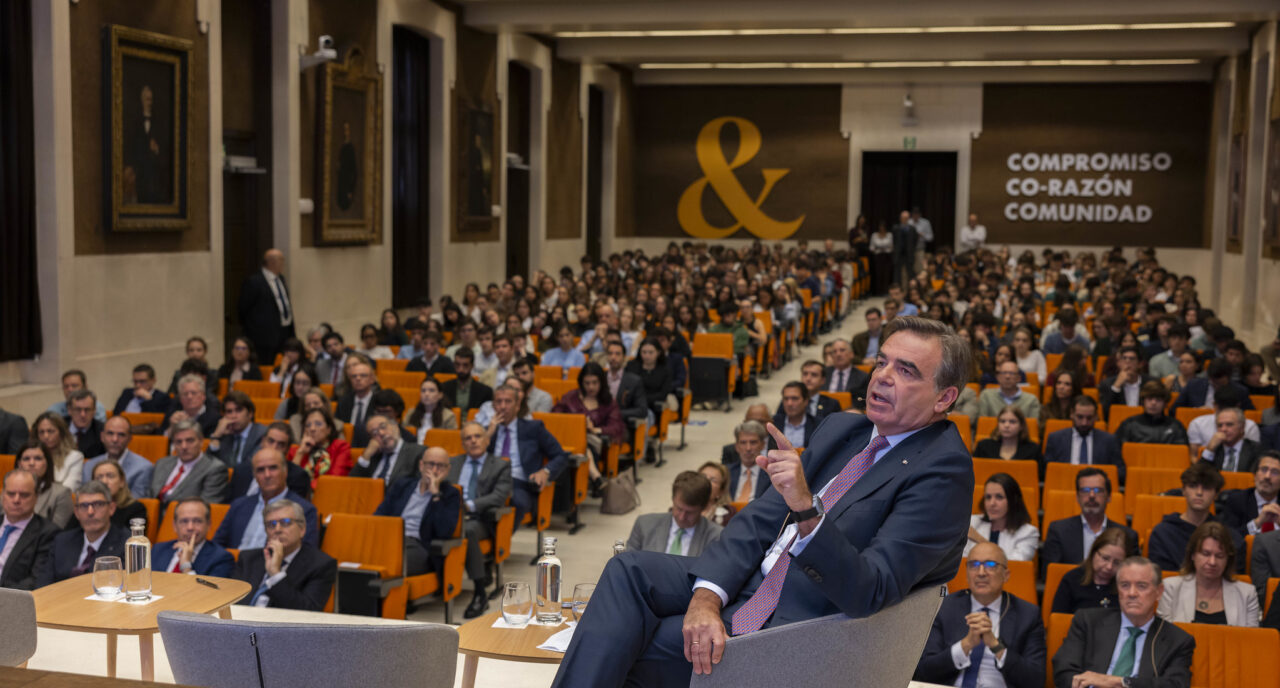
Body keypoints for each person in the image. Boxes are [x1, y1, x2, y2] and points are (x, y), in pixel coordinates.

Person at [551, 316, 974, 686]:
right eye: (882, 361)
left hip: (799, 627)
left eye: (906, 371)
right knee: (628, 569)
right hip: (750, 584)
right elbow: (757, 522)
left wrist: (808, 511)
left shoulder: (943, 472)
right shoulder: (844, 428)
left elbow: (871, 589)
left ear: (944, 398)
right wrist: (706, 598)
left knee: (631, 642)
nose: (882, 376)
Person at [914, 542, 1047, 688]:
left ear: (1006, 575)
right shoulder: (945, 607)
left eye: (990, 564)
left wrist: (995, 646)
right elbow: (922, 671)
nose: (981, 572)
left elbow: (1035, 680)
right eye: (974, 564)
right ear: (966, 574)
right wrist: (965, 645)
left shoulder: (1027, 614)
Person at [1052, 557, 1195, 688]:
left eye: (1141, 586)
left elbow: (1176, 684)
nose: (1132, 593)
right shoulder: (1088, 621)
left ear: (1158, 592)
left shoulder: (1177, 640)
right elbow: (1064, 670)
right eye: (1125, 585)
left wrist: (1119, 682)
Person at [447, 422, 513, 619]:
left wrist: (469, 505)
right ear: (463, 443)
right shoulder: (453, 462)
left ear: (487, 440)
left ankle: (479, 592)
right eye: (468, 438)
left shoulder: (501, 465)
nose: (473, 440)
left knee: (468, 530)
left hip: (482, 518)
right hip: (452, 515)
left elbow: (499, 496)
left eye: (477, 436)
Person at [487, 385, 569, 529]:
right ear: (493, 406)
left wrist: (545, 471)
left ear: (518, 405)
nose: (503, 406)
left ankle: (498, 543)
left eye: (508, 402)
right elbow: (472, 458)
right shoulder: (486, 432)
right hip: (489, 482)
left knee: (517, 502)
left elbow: (560, 455)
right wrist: (488, 434)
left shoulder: (533, 428)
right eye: (499, 402)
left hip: (519, 485)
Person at [233, 500, 336, 611]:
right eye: (271, 525)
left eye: (285, 522)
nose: (277, 529)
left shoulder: (320, 565)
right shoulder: (248, 558)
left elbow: (307, 611)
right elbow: (230, 600)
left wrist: (275, 574)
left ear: (302, 529)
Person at [375, 446, 461, 578]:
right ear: (421, 465)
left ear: (448, 470)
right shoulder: (402, 485)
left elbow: (444, 531)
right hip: (390, 540)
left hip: (420, 547)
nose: (434, 470)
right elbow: (380, 515)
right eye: (430, 464)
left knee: (389, 564)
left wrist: (436, 495)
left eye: (441, 466)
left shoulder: (450, 494)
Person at [1041, 469, 1139, 579]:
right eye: (1085, 490)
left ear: (1109, 497)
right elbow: (1050, 577)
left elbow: (1132, 578)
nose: (1092, 495)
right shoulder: (1058, 531)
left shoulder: (1128, 536)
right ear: (1077, 497)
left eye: (1098, 490)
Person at [1147, 463, 1244, 573]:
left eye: (1206, 488)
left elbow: (1233, 578)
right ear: (1183, 490)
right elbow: (1160, 577)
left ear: (1216, 494)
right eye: (1193, 486)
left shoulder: (1228, 535)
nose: (1199, 493)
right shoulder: (1163, 533)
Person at [1157, 521, 1258, 626]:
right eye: (1206, 554)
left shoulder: (1247, 594)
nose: (1212, 562)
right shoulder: (1170, 589)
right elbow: (1164, 638)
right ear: (1192, 555)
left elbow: (1251, 640)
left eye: (1219, 556)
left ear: (1228, 559)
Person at [217, 447, 320, 550]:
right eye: (260, 470)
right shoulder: (239, 505)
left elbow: (306, 555)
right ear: (254, 475)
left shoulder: (304, 510)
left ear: (285, 471)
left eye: (273, 468)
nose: (267, 475)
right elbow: (217, 545)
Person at [35, 481, 129, 586]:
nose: (90, 512)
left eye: (98, 504)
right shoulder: (62, 541)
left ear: (111, 508)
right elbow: (43, 584)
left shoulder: (126, 544)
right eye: (84, 506)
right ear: (76, 512)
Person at [553, 363, 624, 494]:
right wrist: (574, 423)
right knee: (579, 446)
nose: (591, 387)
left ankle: (591, 483)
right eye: (587, 383)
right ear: (581, 382)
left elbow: (615, 427)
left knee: (583, 446)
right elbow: (555, 416)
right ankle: (596, 478)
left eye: (594, 383)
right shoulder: (570, 397)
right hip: (568, 440)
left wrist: (596, 429)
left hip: (594, 441)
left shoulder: (609, 402)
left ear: (601, 382)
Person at [625, 471, 723, 557]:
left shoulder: (716, 537)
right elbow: (627, 565)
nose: (681, 517)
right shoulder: (644, 525)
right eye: (679, 509)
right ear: (672, 499)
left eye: (690, 513)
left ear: (704, 507)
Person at [1043, 396, 1126, 483]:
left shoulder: (1109, 440)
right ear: (1072, 414)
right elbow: (1047, 471)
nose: (1084, 423)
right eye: (1080, 417)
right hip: (1064, 485)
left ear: (1096, 416)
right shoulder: (1056, 439)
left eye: (1089, 418)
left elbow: (1120, 472)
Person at [0, 469, 58, 590]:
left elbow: (36, 579)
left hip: (10, 600)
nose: (16, 500)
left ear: (36, 497)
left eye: (24, 495)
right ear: (2, 494)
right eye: (11, 494)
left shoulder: (48, 533)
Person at [1051, 527, 1130, 615]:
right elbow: (1058, 621)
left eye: (1117, 562)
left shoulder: (1128, 586)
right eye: (1105, 558)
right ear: (1094, 552)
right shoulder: (1072, 580)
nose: (1109, 567)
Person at [149, 420, 229, 506]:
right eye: (179, 442)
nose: (184, 446)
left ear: (201, 441)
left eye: (189, 440)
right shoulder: (162, 463)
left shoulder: (215, 469)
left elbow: (206, 507)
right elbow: (149, 495)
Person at [227, 422, 312, 501]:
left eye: (281, 444)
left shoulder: (297, 476)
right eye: (271, 441)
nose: (274, 448)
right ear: (262, 442)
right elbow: (228, 506)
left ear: (287, 449)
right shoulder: (241, 470)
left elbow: (293, 510)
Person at [238, 249, 296, 364]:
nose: (283, 263)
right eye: (281, 260)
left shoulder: (281, 279)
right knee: (266, 365)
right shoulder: (254, 282)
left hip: (284, 332)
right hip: (263, 338)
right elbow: (243, 309)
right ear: (272, 262)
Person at [151, 497, 235, 577]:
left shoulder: (221, 558)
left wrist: (186, 566)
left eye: (197, 521)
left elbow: (210, 592)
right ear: (174, 526)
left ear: (208, 525)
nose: (190, 527)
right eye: (184, 521)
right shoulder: (158, 549)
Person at [964, 473, 1039, 561]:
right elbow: (963, 561)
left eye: (999, 497)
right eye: (988, 497)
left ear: (1013, 500)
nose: (992, 503)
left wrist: (981, 540)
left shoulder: (1028, 533)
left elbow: (1015, 566)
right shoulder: (972, 523)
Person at [81, 416, 154, 498]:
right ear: (102, 437)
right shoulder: (89, 466)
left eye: (121, 435)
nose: (115, 439)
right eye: (110, 433)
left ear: (130, 438)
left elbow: (137, 502)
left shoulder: (143, 468)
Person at [1219, 450, 1280, 538]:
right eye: (1264, 469)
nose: (1267, 476)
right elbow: (1228, 539)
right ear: (1255, 474)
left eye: (1274, 472)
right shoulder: (1237, 500)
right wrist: (1257, 523)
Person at [288, 407, 353, 488]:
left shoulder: (340, 447)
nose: (312, 428)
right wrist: (301, 453)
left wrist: (303, 485)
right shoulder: (296, 451)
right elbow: (288, 482)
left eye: (318, 424)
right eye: (308, 425)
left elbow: (334, 479)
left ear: (329, 429)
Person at [351, 412, 425, 484]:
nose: (381, 433)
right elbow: (352, 485)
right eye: (374, 433)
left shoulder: (418, 452)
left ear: (395, 427)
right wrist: (366, 455)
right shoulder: (372, 457)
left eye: (383, 427)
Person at [16, 441, 73, 529]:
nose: (31, 463)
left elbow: (55, 532)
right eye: (26, 459)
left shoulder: (61, 494)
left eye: (38, 458)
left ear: (47, 463)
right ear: (19, 464)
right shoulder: (7, 492)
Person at [1114, 381, 1189, 446]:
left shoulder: (1176, 426)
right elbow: (1117, 451)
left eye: (1158, 400)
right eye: (1149, 399)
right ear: (1143, 401)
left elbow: (1181, 455)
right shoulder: (1129, 424)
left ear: (1165, 403)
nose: (1153, 403)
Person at [207, 392, 268, 468]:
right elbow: (207, 466)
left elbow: (251, 466)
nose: (233, 416)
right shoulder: (223, 434)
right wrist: (216, 436)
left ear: (250, 414)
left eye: (238, 410)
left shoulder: (262, 434)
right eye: (229, 411)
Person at [1198, 407, 1261, 472]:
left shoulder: (1255, 450)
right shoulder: (1214, 449)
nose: (1223, 429)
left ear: (1242, 427)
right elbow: (1198, 476)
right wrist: (1209, 449)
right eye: (1220, 425)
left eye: (1229, 424)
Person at [32, 411, 84, 490]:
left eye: (50, 431)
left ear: (61, 433)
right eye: (41, 432)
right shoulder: (31, 458)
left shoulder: (75, 457)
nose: (45, 436)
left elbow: (69, 489)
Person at [334, 357, 379, 448]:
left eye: (363, 375)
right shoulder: (343, 402)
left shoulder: (379, 403)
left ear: (372, 379)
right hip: (345, 447)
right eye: (354, 376)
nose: (358, 379)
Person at [974, 406, 1044, 462]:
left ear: (1021, 426)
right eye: (1002, 421)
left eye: (1012, 422)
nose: (1006, 425)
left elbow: (1040, 477)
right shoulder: (983, 446)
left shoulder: (1033, 449)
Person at [92, 460, 147, 531]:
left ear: (122, 482)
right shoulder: (84, 507)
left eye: (110, 476)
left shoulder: (136, 509)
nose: (104, 481)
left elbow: (134, 540)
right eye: (99, 477)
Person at [977, 361, 1042, 419]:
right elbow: (983, 425)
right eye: (1004, 373)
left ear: (1018, 378)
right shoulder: (986, 396)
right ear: (998, 377)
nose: (1007, 376)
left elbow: (1033, 428)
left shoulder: (1031, 400)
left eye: (1011, 373)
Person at [440, 347, 494, 416]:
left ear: (472, 366)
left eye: (465, 365)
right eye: (457, 365)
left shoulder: (485, 391)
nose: (461, 369)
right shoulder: (445, 388)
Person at [727, 421, 770, 503]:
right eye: (743, 443)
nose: (748, 448)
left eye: (753, 442)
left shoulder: (770, 474)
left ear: (763, 445)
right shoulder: (727, 473)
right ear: (736, 446)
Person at [406, 377, 458, 443]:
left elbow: (451, 441)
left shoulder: (448, 416)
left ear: (440, 395)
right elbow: (404, 437)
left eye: (431, 390)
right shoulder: (411, 413)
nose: (426, 394)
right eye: (423, 391)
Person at [770, 382, 818, 451]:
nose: (789, 403)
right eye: (786, 399)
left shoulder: (817, 425)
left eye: (794, 398)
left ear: (806, 401)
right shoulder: (774, 423)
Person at [698, 462, 736, 528]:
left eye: (713, 480)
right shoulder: (682, 507)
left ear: (721, 491)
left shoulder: (727, 517)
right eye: (703, 476)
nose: (705, 481)